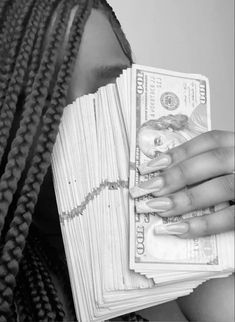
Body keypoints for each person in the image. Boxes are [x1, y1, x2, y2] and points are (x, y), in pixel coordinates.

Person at [0, 0, 233, 321]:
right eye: (42, 101)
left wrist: (211, 265)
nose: (85, 123)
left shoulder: (190, 280)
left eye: (107, 91)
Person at [137, 104, 208, 157]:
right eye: (157, 154)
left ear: (167, 127)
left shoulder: (201, 117)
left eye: (158, 141)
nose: (163, 150)